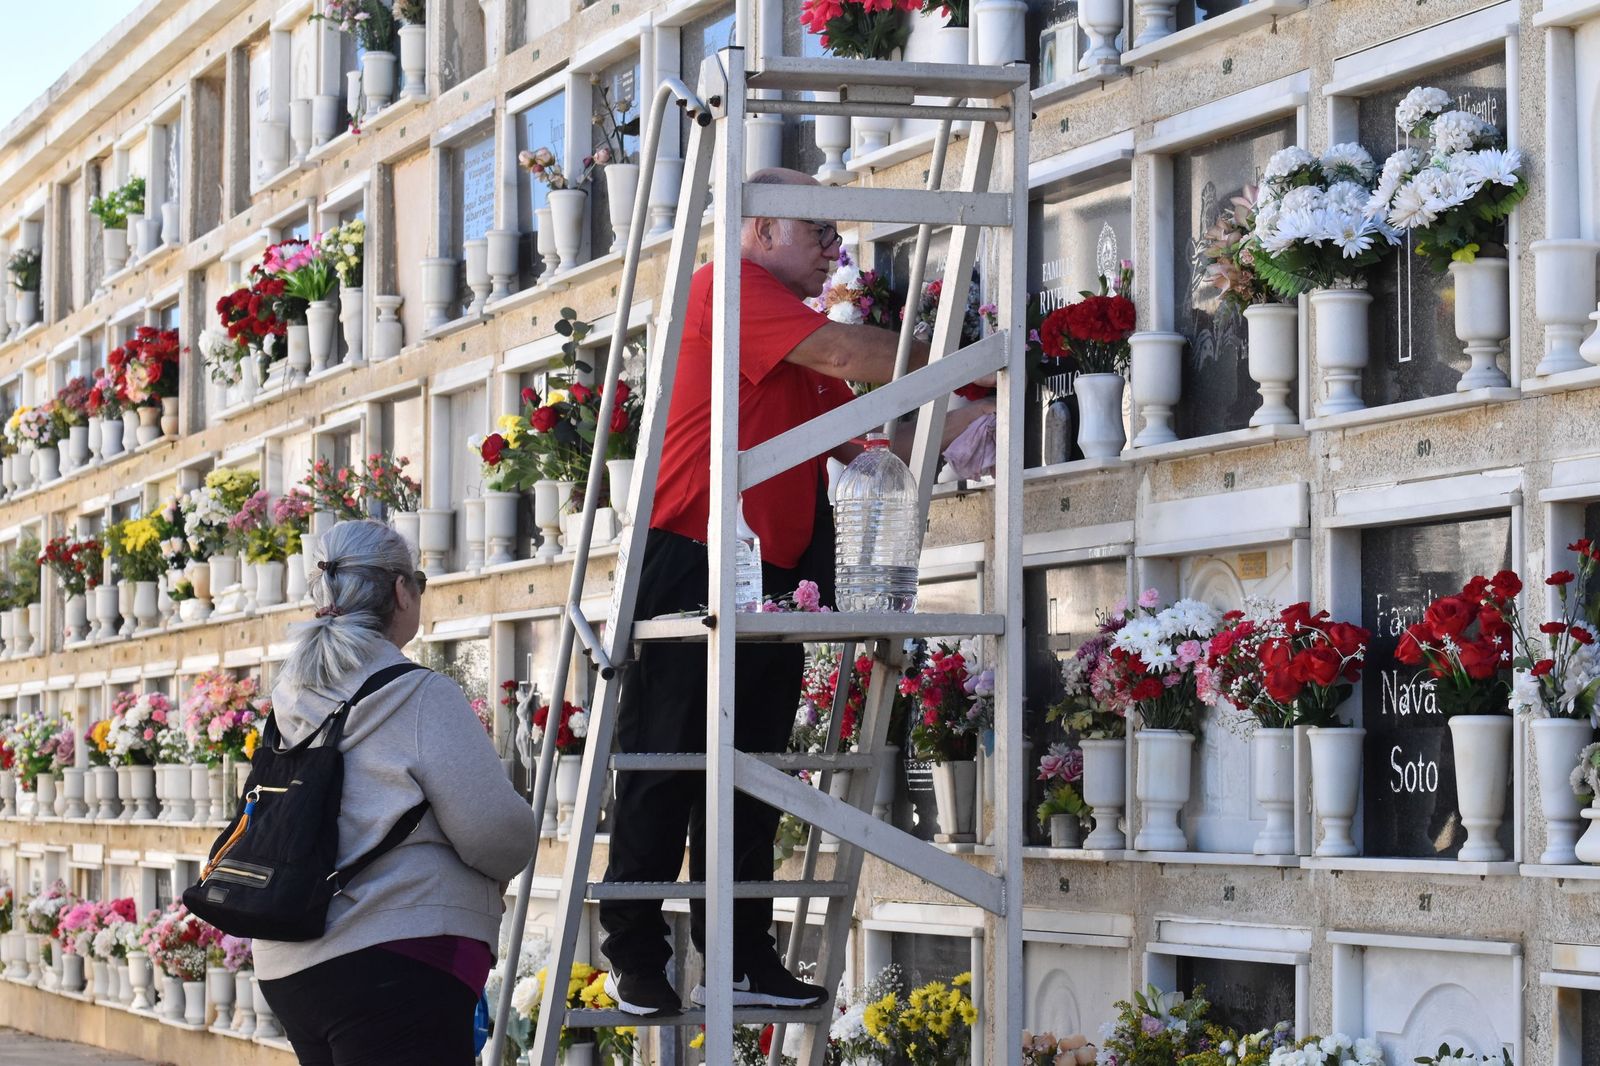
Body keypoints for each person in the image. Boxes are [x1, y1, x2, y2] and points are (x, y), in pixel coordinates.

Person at [599, 167, 994, 1017]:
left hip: (773, 572)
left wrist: (981, 414)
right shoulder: (731, 287)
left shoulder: (789, 330)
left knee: (754, 772)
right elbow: (850, 354)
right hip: (690, 554)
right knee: (666, 759)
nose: (835, 253)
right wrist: (974, 359)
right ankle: (632, 954)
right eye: (821, 232)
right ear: (763, 230)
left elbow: (864, 438)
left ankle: (741, 956)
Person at [254, 519, 539, 1065]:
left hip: (289, 960)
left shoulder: (289, 694)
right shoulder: (418, 695)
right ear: (401, 590)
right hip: (397, 957)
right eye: (419, 582)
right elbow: (497, 836)